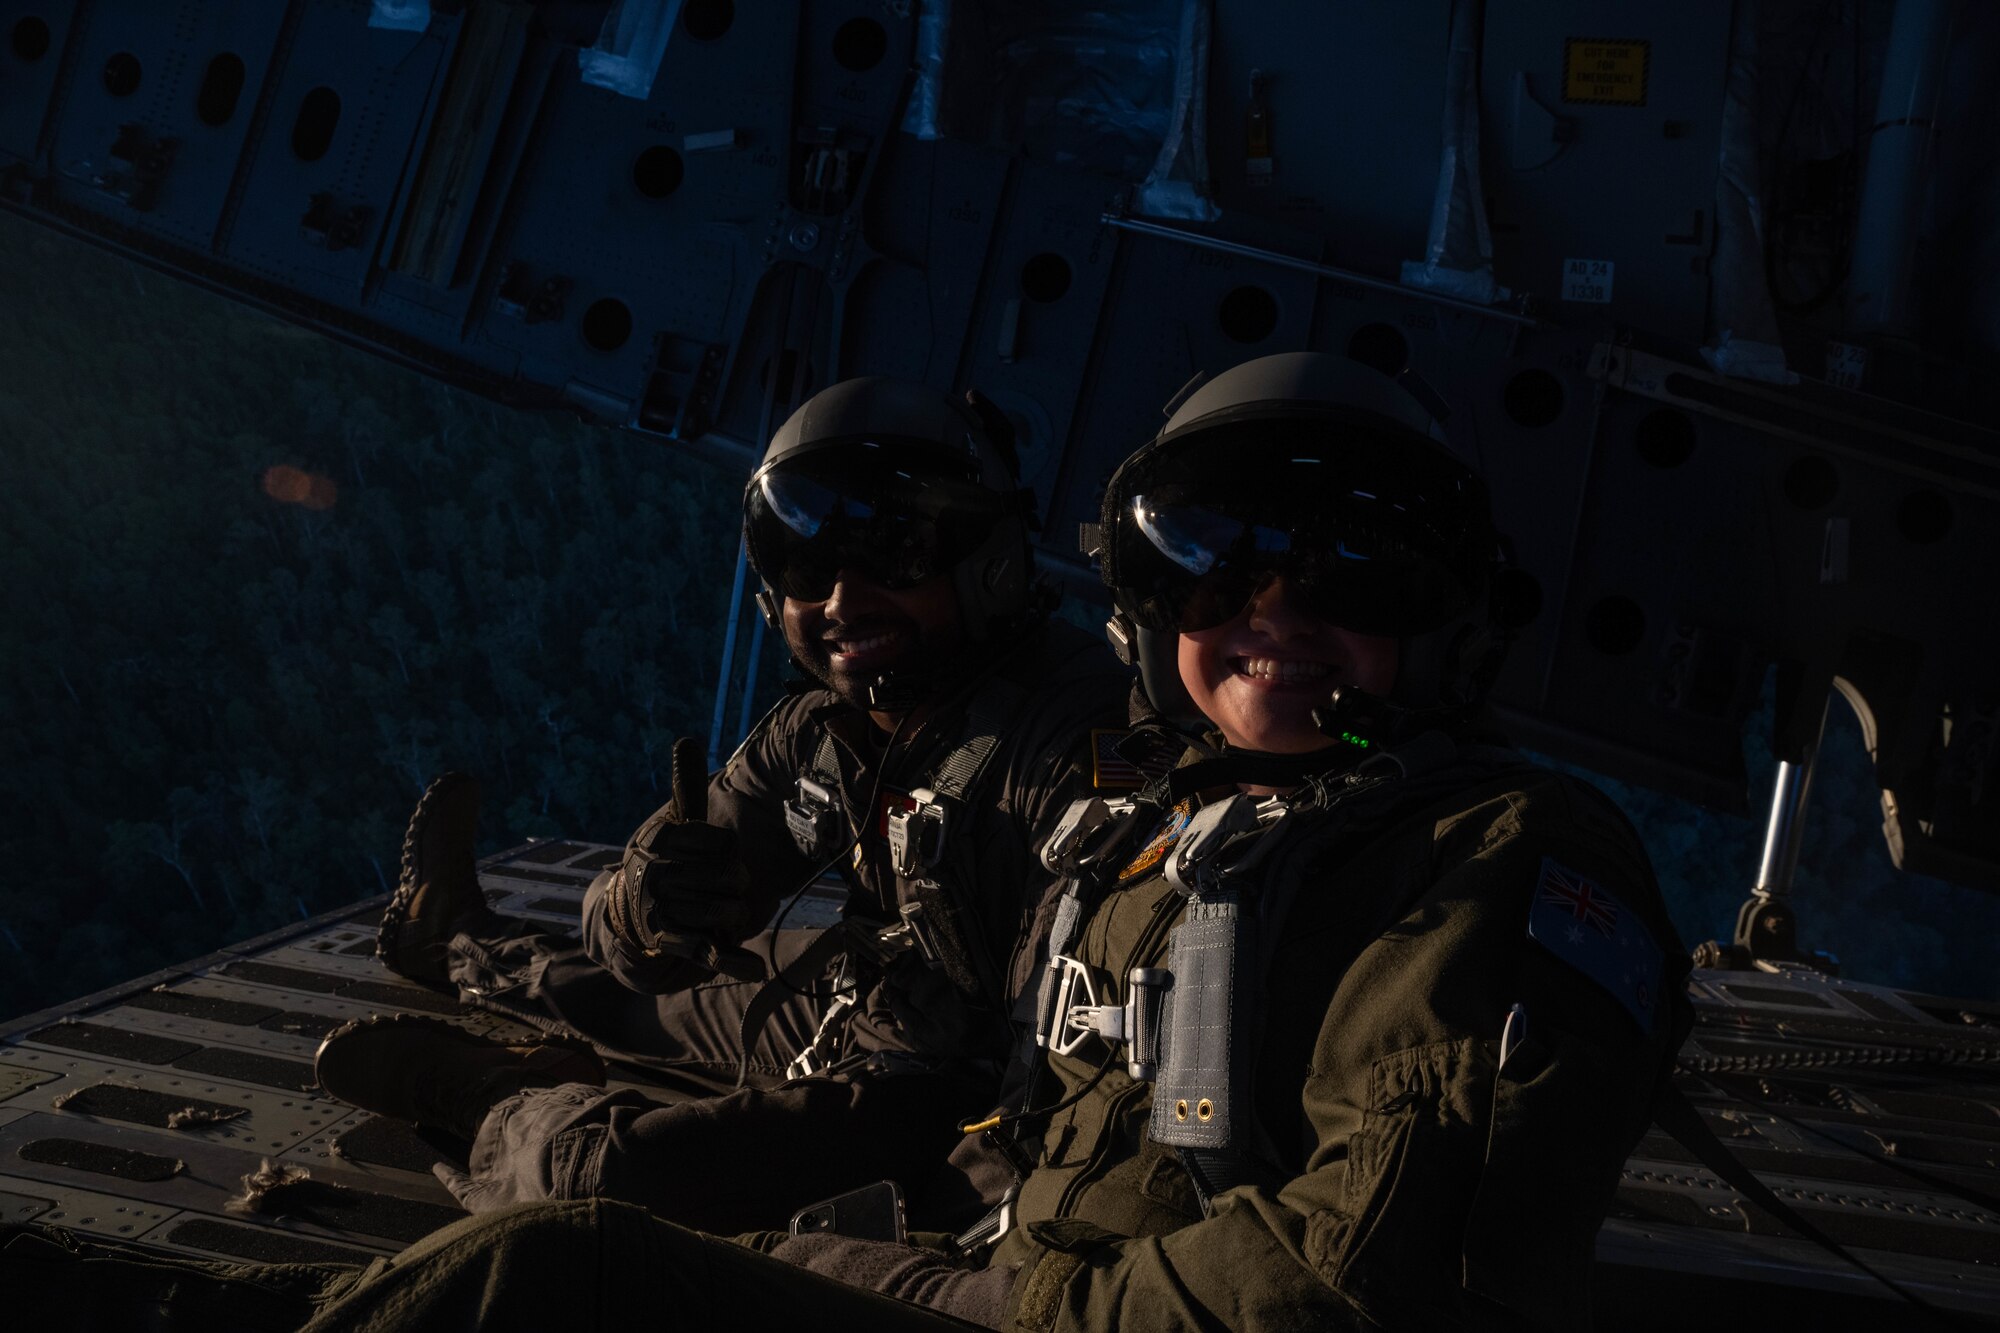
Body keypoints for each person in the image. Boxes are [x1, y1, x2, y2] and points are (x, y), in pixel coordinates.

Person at [5, 353, 1690, 1331]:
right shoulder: (1206, 811)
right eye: (1229, 567)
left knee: (579, 1259)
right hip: (1012, 1216)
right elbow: (706, 916)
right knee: (628, 1018)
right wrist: (665, 891)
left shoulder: (1488, 851)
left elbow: (1362, 1276)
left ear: (1451, 623)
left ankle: (469, 1126)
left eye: (1355, 585)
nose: (1278, 622)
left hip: (1030, 1251)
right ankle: (467, 979)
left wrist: (980, 1268)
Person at [312, 376, 1136, 1233]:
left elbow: (1057, 1084)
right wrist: (648, 902)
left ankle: (496, 1098)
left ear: (990, 560)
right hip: (879, 993)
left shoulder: (1074, 744)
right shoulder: (823, 729)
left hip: (959, 1088)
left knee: (612, 1177)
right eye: (806, 564)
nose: (844, 602)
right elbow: (623, 927)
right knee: (628, 994)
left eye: (896, 552)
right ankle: (451, 938)